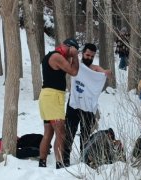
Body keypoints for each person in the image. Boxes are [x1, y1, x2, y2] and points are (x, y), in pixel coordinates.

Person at [63, 43, 112, 167]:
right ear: (82, 53)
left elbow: (105, 72)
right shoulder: (76, 65)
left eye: (92, 56)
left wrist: (106, 72)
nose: (89, 57)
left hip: (88, 108)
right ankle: (65, 160)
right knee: (70, 132)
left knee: (85, 135)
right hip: (74, 104)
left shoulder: (95, 69)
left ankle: (84, 159)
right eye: (87, 55)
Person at [38, 38, 79, 169]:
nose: (70, 54)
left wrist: (70, 56)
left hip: (48, 96)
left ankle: (42, 162)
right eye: (71, 50)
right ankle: (59, 164)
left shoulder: (52, 55)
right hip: (53, 97)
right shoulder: (57, 56)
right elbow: (74, 72)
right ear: (68, 46)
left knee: (48, 133)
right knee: (61, 132)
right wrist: (75, 56)